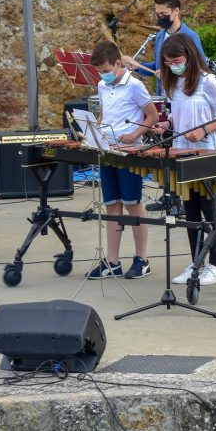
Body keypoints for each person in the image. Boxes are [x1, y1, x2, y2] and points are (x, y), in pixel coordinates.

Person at [156, 33, 216, 287]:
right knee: (189, 210)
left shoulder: (207, 81)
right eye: (168, 62)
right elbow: (179, 115)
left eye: (176, 60)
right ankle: (196, 262)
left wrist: (203, 130)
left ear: (188, 56)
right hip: (181, 151)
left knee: (209, 209)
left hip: (205, 151)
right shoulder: (174, 84)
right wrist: (166, 123)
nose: (173, 65)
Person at [85, 41, 161, 280]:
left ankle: (142, 259)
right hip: (108, 150)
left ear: (118, 64)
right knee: (112, 205)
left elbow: (152, 116)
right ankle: (112, 261)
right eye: (100, 72)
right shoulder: (101, 85)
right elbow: (105, 113)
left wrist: (135, 135)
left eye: (106, 71)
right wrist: (95, 130)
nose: (103, 76)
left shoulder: (135, 86)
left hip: (129, 152)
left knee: (133, 203)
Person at [125, 0, 207, 83]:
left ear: (176, 11)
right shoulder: (160, 36)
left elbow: (202, 69)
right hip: (163, 94)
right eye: (158, 14)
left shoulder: (190, 37)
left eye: (163, 13)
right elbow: (157, 68)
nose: (160, 17)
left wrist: (169, 74)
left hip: (185, 93)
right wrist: (137, 66)